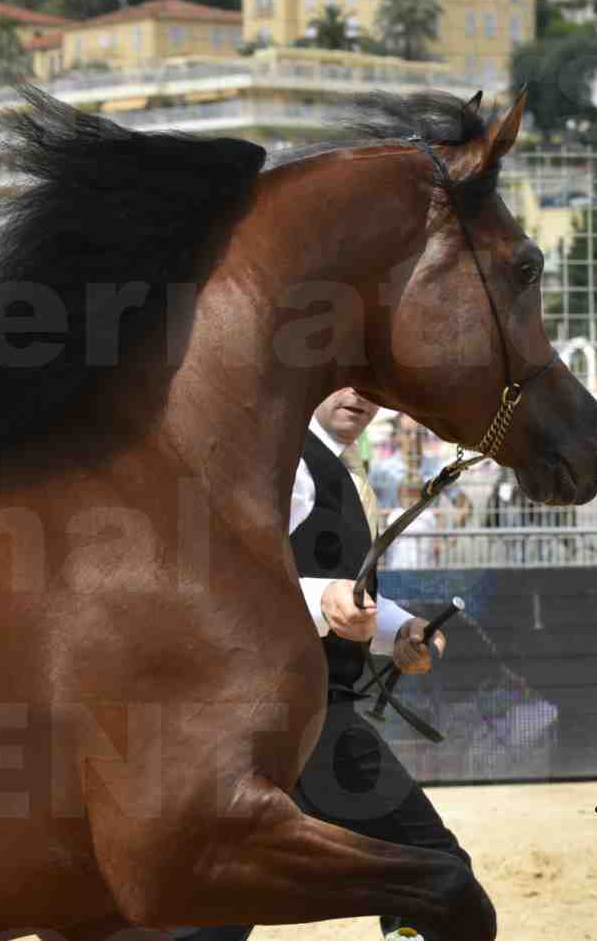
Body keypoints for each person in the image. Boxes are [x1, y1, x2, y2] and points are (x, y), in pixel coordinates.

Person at [176, 388, 489, 941]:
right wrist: (322, 599)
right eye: (342, 379)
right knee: (439, 881)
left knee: (230, 900)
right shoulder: (283, 459)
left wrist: (400, 631)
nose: (357, 396)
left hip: (276, 719)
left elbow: (342, 587)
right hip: (299, 718)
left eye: (371, 386)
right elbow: (220, 578)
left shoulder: (338, 468)